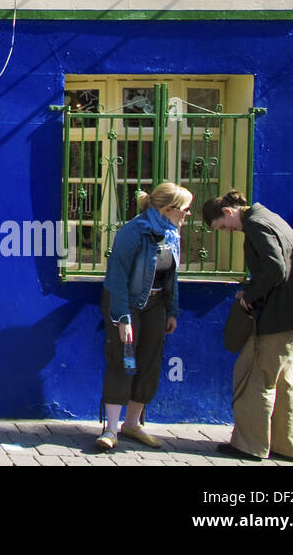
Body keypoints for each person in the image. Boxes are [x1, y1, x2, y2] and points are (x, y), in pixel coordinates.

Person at [203, 190, 293, 461]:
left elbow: (275, 268)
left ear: (228, 212)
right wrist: (251, 287)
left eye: (223, 227)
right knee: (283, 381)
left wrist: (250, 295)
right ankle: (284, 446)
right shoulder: (267, 217)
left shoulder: (256, 224)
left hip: (279, 317)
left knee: (254, 376)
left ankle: (249, 445)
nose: (228, 231)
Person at [95, 181, 192, 451]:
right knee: (123, 359)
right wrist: (122, 317)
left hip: (156, 304)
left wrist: (172, 310)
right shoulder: (134, 231)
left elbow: (172, 277)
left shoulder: (172, 233)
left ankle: (133, 424)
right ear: (169, 209)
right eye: (184, 210)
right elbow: (117, 277)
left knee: (150, 360)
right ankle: (111, 429)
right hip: (126, 302)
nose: (187, 215)